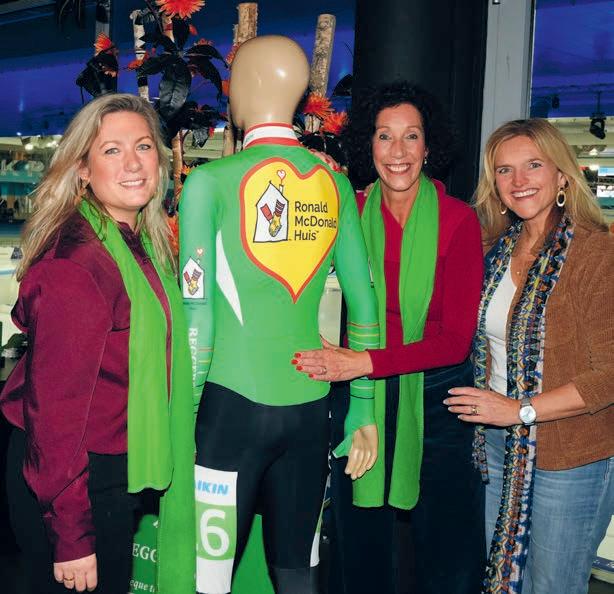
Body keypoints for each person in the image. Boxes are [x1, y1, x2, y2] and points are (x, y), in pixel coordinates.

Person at [179, 35, 379, 594]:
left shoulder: (209, 183)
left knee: (210, 579)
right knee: (298, 572)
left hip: (228, 411)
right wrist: (363, 407)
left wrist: (182, 414)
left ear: (244, 88)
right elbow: (364, 301)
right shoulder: (335, 185)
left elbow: (198, 313)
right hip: (311, 411)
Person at [294, 81, 485, 594]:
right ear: (368, 144)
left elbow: (454, 341)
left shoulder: (459, 221)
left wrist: (363, 363)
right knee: (359, 536)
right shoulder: (347, 211)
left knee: (445, 543)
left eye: (411, 136)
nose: (397, 151)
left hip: (434, 395)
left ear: (428, 146)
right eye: (384, 136)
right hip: (360, 392)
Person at [0, 93, 195, 594]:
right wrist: (71, 533)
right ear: (82, 169)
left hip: (105, 470)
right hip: (72, 482)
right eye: (112, 150)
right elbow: (54, 416)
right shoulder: (78, 263)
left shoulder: (137, 241)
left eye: (143, 146)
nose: (133, 163)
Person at [446, 118, 614, 594]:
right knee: (501, 575)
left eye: (533, 165)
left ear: (562, 175)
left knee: (552, 585)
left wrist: (519, 410)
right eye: (505, 170)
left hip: (572, 452)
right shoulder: (494, 250)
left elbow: (610, 374)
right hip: (498, 445)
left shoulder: (596, 255)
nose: (519, 181)